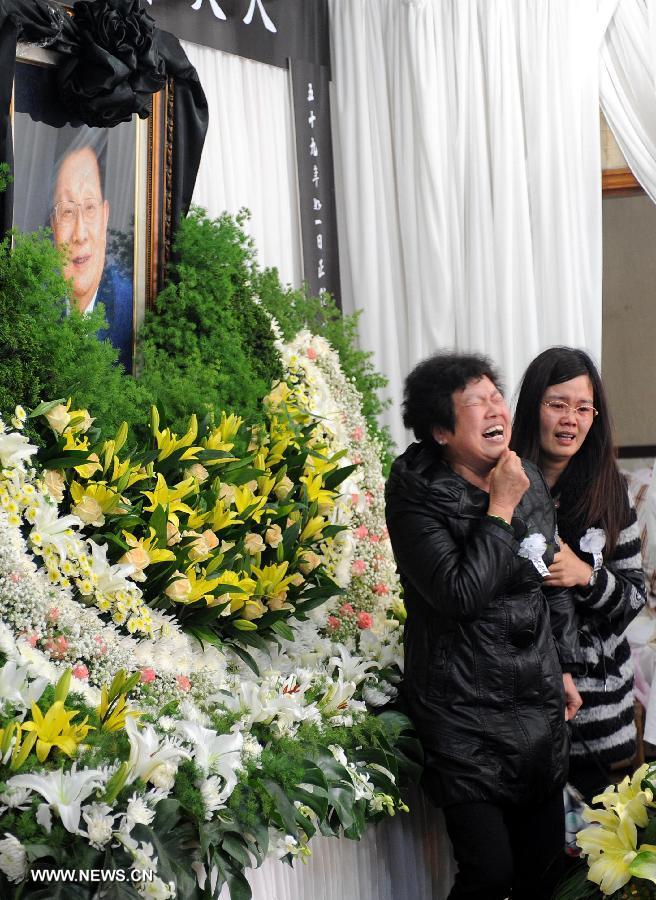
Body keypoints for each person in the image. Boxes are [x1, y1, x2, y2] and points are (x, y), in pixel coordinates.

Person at [385, 352, 582, 900]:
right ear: (442, 431)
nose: (496, 408)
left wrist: (564, 666)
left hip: (535, 704)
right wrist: (499, 507)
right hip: (462, 710)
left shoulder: (524, 478)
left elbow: (552, 577)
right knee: (489, 874)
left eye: (497, 396)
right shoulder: (414, 496)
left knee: (543, 875)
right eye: (477, 402)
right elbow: (458, 594)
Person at [512, 347, 646, 802]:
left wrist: (584, 575)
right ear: (533, 408)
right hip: (518, 714)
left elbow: (633, 597)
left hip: (596, 719)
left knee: (600, 861)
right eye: (558, 405)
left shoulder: (610, 491)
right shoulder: (501, 486)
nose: (572, 419)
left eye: (583, 407)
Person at [50, 137, 133, 370]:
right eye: (67, 211)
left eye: (89, 208)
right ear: (54, 226)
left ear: (105, 217)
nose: (80, 234)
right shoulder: (36, 307)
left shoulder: (131, 308)